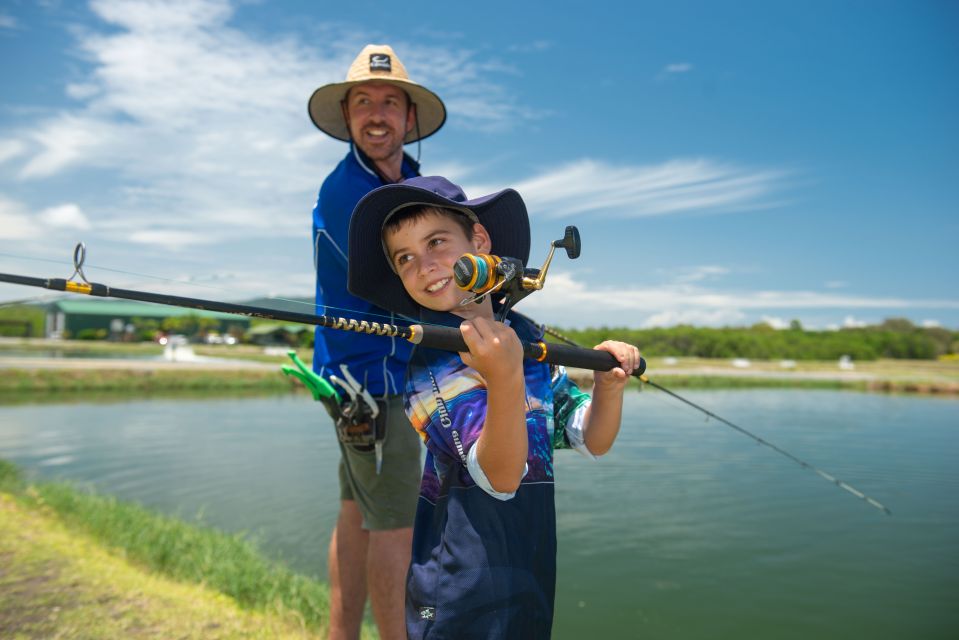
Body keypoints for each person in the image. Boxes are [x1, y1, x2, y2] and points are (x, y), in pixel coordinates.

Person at [347, 176, 640, 638]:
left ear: (479, 240)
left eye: (437, 242)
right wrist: (505, 377)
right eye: (405, 258)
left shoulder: (524, 339)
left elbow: (592, 438)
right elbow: (500, 477)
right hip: (455, 596)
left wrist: (609, 387)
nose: (424, 265)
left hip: (529, 577)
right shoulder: (429, 364)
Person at [306, 44, 446, 640]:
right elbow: (411, 287)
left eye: (390, 101)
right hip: (371, 385)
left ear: (410, 117)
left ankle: (341, 634)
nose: (377, 113)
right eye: (363, 101)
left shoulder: (418, 183)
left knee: (357, 513)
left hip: (372, 379)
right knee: (396, 525)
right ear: (348, 115)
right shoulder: (346, 194)